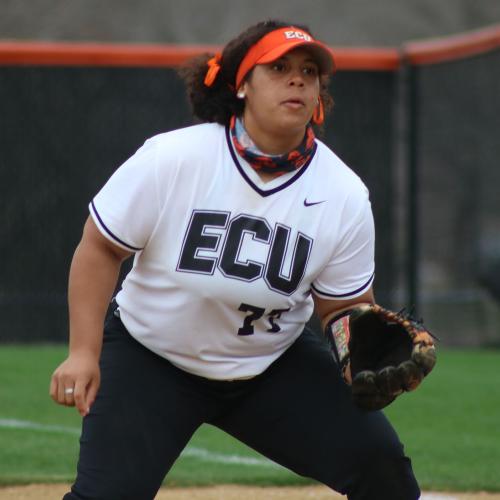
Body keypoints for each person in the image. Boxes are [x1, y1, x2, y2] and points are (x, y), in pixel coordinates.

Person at [50, 19, 421, 500]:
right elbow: (100, 247)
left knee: (385, 474)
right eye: (279, 68)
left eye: (309, 72)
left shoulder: (343, 193)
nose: (297, 80)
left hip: (271, 366)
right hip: (152, 358)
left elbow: (343, 308)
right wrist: (83, 351)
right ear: (242, 84)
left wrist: (365, 347)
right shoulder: (176, 158)